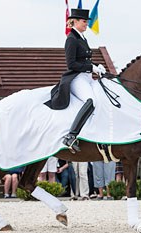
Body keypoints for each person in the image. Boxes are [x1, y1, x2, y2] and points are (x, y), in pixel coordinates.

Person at [45, 8, 106, 153]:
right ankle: (71, 136)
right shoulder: (71, 39)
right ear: (76, 21)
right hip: (77, 78)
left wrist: (96, 66)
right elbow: (71, 64)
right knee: (91, 100)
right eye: (84, 21)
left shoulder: (82, 38)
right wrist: (91, 67)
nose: (86, 24)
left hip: (87, 77)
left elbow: (85, 59)